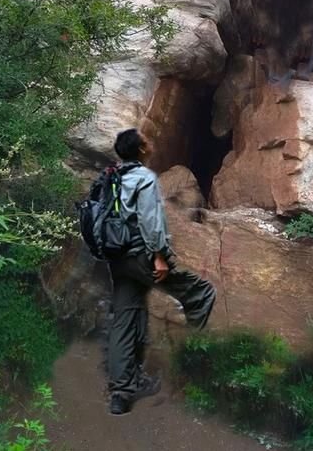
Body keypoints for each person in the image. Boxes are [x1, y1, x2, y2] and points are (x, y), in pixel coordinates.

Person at [106, 128, 216, 416]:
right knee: (202, 292)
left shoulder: (111, 176)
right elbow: (150, 220)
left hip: (116, 256)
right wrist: (160, 256)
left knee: (124, 320)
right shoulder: (144, 178)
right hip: (141, 255)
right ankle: (193, 363)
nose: (151, 142)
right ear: (141, 149)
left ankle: (120, 394)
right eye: (146, 140)